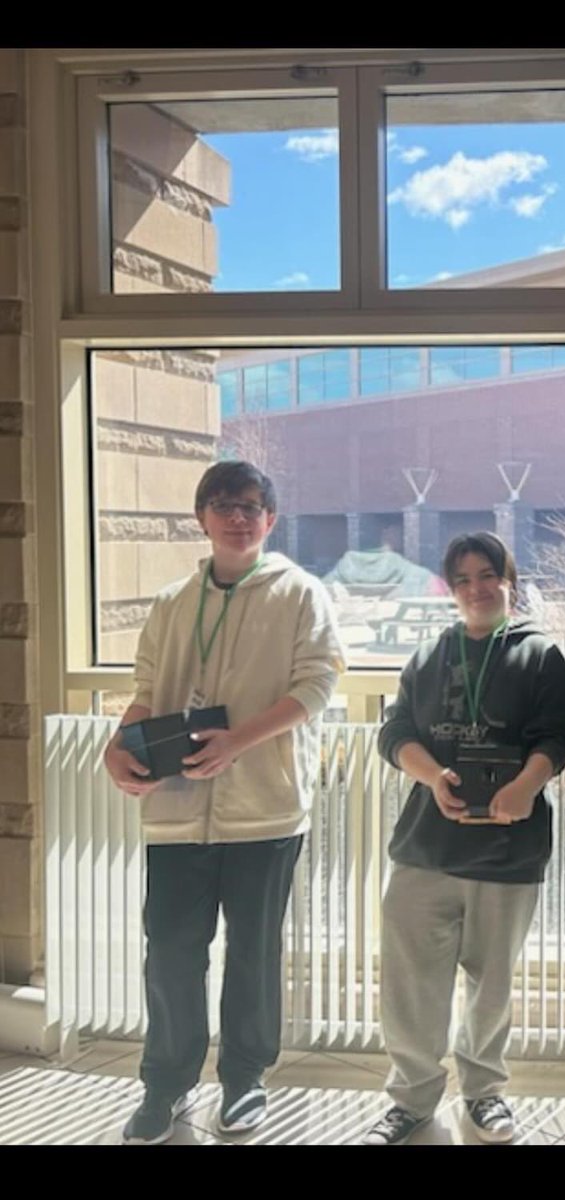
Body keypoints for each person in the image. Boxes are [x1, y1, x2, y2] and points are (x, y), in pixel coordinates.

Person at [103, 460, 345, 1145]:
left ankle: (244, 1080)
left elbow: (317, 687)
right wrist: (115, 746)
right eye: (223, 505)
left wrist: (239, 740)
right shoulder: (172, 602)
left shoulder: (301, 593)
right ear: (201, 517)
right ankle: (166, 1083)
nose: (238, 517)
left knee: (253, 953)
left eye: (250, 506)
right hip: (176, 811)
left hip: (266, 810)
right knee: (171, 951)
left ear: (270, 519)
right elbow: (147, 690)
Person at [362, 531, 565, 1146]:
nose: (476, 588)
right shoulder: (429, 655)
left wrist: (526, 787)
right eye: (463, 579)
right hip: (425, 848)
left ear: (509, 581)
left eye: (488, 575)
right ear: (451, 589)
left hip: (508, 849)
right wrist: (433, 777)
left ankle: (484, 1095)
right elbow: (395, 733)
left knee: (491, 984)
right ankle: (411, 1099)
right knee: (411, 982)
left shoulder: (540, 655)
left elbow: (561, 733)